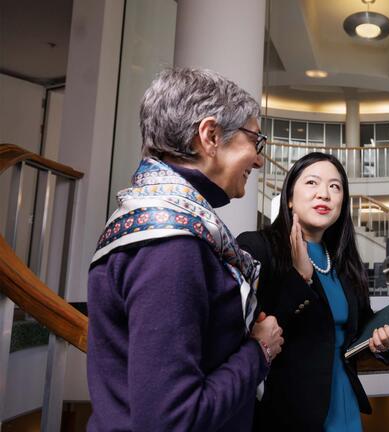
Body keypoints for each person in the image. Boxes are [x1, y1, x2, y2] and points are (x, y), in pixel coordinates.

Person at [87, 67, 284, 431]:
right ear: (210, 136)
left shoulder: (157, 225)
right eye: (255, 141)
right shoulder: (171, 245)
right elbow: (172, 420)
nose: (258, 160)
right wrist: (260, 351)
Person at [237, 152, 389, 431]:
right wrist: (300, 277)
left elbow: (360, 325)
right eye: (312, 183)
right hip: (288, 414)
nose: (324, 194)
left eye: (334, 187)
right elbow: (254, 332)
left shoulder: (344, 261)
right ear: (289, 197)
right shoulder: (257, 248)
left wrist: (383, 342)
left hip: (344, 405)